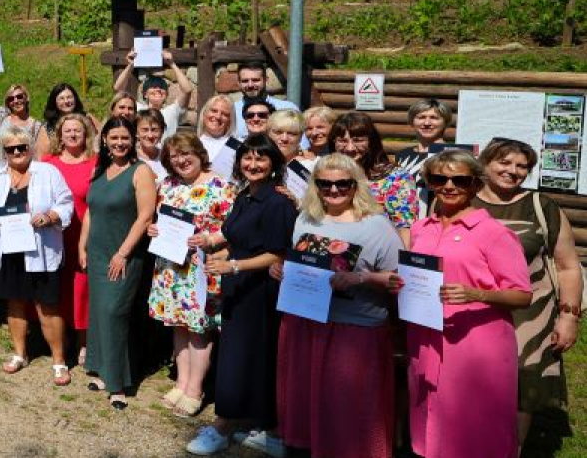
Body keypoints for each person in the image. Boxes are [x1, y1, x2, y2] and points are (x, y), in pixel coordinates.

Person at [401, 149, 531, 458]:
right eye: (439, 178)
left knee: (475, 423)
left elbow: (522, 295)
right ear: (429, 183)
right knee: (430, 416)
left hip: (475, 344)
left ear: (474, 184)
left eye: (459, 179)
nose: (449, 186)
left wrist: (477, 294)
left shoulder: (494, 233)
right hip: (426, 336)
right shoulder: (421, 228)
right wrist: (399, 282)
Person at [276, 153, 402, 458]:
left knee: (348, 414)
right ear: (315, 186)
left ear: (356, 185)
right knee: (306, 405)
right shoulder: (306, 218)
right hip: (305, 324)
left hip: (354, 331)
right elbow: (299, 261)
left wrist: (362, 278)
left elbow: (399, 280)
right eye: (325, 184)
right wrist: (280, 269)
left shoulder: (377, 226)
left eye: (343, 184)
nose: (334, 190)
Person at [185, 135, 298, 456]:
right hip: (238, 287)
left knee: (250, 358)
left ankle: (226, 424)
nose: (253, 164)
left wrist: (234, 265)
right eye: (247, 158)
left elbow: (278, 254)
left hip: (262, 291)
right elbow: (234, 231)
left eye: (261, 159)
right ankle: (256, 424)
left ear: (274, 163)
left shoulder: (278, 203)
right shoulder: (246, 195)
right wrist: (208, 239)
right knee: (242, 357)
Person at [474, 138, 582, 449]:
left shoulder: (542, 206)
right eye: (505, 162)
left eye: (522, 166)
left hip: (530, 313)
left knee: (523, 382)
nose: (513, 171)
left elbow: (568, 266)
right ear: (486, 163)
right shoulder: (462, 201)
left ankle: (512, 449)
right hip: (472, 307)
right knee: (474, 379)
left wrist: (569, 316)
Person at [145, 133, 236, 418]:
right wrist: (153, 230)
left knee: (199, 328)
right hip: (170, 268)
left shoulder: (222, 186)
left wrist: (210, 238)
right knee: (178, 325)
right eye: (174, 156)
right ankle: (181, 382)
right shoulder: (166, 185)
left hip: (201, 268)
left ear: (199, 154)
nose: (181, 160)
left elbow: (233, 229)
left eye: (186, 154)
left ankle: (196, 389)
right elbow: (158, 220)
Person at [0, 130, 75, 386]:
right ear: (4, 152)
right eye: (11, 149)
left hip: (41, 251)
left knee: (47, 306)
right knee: (15, 303)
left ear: (30, 147)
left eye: (22, 147)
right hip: (9, 250)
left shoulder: (48, 172)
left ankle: (58, 361)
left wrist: (50, 216)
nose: (18, 152)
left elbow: (66, 203)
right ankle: (20, 353)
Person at [81, 116, 158, 409]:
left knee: (115, 312)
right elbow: (91, 210)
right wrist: (81, 245)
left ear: (133, 140)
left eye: (125, 137)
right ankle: (101, 370)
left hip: (124, 253)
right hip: (98, 251)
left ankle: (118, 383)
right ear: (105, 140)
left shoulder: (141, 171)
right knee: (100, 312)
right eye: (114, 138)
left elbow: (145, 216)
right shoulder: (101, 168)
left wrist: (123, 252)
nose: (119, 143)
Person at [45, 113, 96, 367]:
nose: (73, 134)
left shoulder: (96, 163)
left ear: (85, 134)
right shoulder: (47, 163)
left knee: (82, 288)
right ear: (60, 135)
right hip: (55, 235)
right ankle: (60, 338)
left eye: (78, 130)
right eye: (68, 131)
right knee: (60, 288)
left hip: (84, 235)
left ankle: (83, 341)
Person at [333, 111, 417, 245]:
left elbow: (405, 228)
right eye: (342, 141)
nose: (349, 148)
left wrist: (399, 264)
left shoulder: (395, 178)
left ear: (372, 142)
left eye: (358, 140)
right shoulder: (328, 174)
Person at [114, 49, 195, 142]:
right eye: (152, 86)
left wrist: (172, 63)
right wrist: (131, 65)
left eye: (162, 87)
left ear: (167, 94)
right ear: (145, 94)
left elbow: (187, 90)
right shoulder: (137, 109)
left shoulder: (173, 111)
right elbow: (119, 90)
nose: (158, 89)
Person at [0, 67, 50, 163]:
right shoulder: (3, 116)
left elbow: (42, 159)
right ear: (8, 103)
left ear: (27, 98)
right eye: (11, 99)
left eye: (19, 96)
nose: (16, 101)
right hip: (0, 174)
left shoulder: (36, 127)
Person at [231, 63, 301, 138]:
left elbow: (302, 145)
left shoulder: (288, 108)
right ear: (238, 83)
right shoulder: (231, 111)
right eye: (245, 81)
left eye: (255, 80)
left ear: (265, 80)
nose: (250, 85)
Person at [394, 99, 454, 182]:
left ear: (445, 122)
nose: (427, 123)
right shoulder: (403, 155)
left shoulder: (454, 155)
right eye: (421, 117)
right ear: (412, 122)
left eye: (434, 118)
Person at [197, 95, 241, 178]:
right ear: (204, 113)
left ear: (230, 120)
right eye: (214, 111)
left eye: (225, 114)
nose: (218, 116)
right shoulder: (192, 143)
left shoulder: (236, 145)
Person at [134, 108, 167, 180]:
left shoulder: (167, 156)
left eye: (154, 130)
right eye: (145, 130)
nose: (150, 135)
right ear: (136, 133)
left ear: (161, 132)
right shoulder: (132, 159)